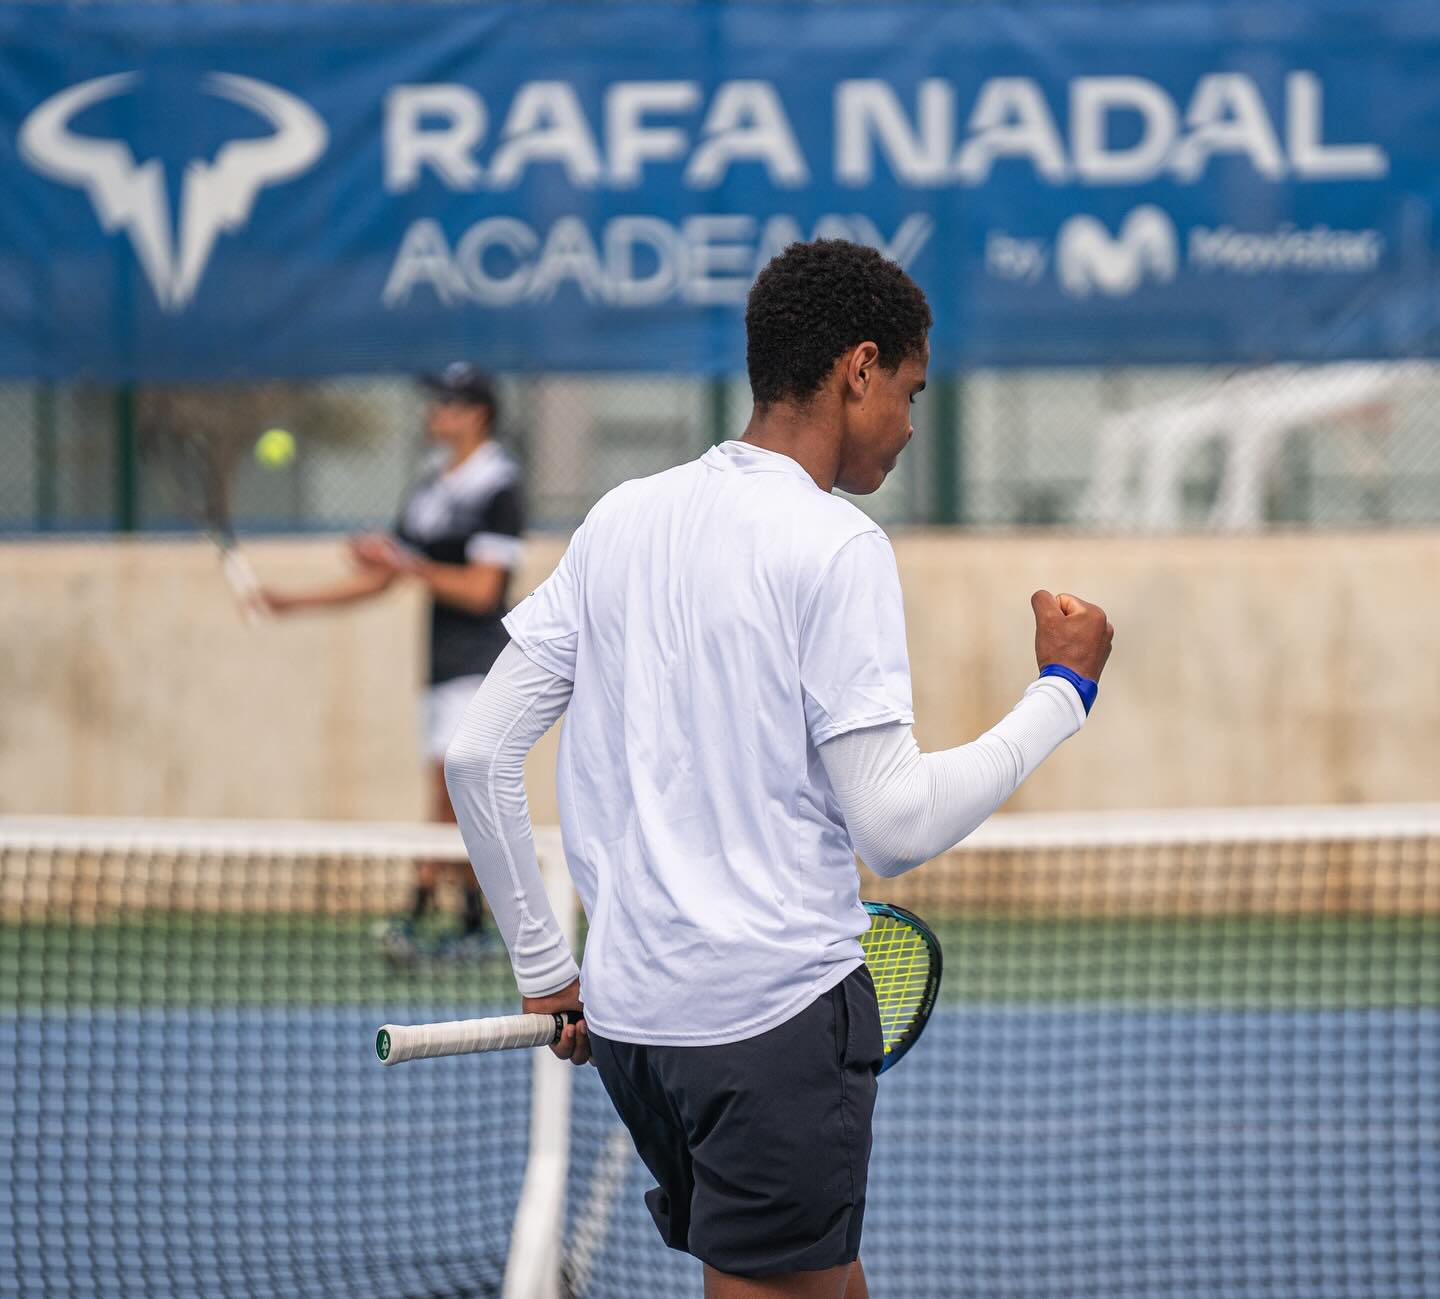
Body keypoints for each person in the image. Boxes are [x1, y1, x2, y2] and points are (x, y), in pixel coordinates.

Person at [443, 241, 1113, 1299]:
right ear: (859, 367)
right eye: (910, 390)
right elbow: (894, 825)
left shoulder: (619, 518)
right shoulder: (838, 544)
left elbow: (478, 755)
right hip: (769, 1025)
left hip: (634, 1034)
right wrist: (1062, 694)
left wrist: (545, 967)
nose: (910, 423)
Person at [261, 363, 523, 960]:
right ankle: (472, 923)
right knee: (451, 795)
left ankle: (420, 912)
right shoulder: (431, 485)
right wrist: (290, 602)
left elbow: (482, 590)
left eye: (448, 403)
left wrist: (407, 565)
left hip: (480, 664)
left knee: (450, 791)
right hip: (438, 667)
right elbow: (386, 576)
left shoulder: (498, 486)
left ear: (478, 415)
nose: (434, 412)